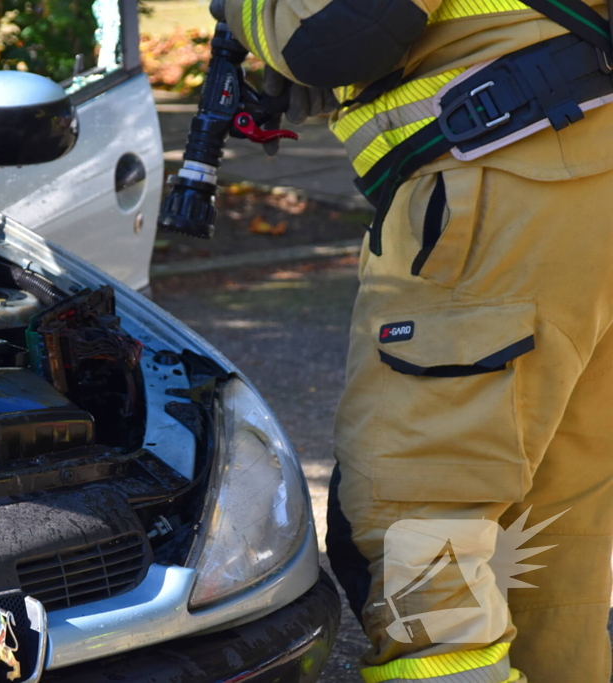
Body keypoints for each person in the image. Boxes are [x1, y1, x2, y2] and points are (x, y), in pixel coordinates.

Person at [212, 0, 613, 681]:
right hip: (579, 177)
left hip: (501, 192)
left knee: (419, 527)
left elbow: (329, 33)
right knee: (544, 535)